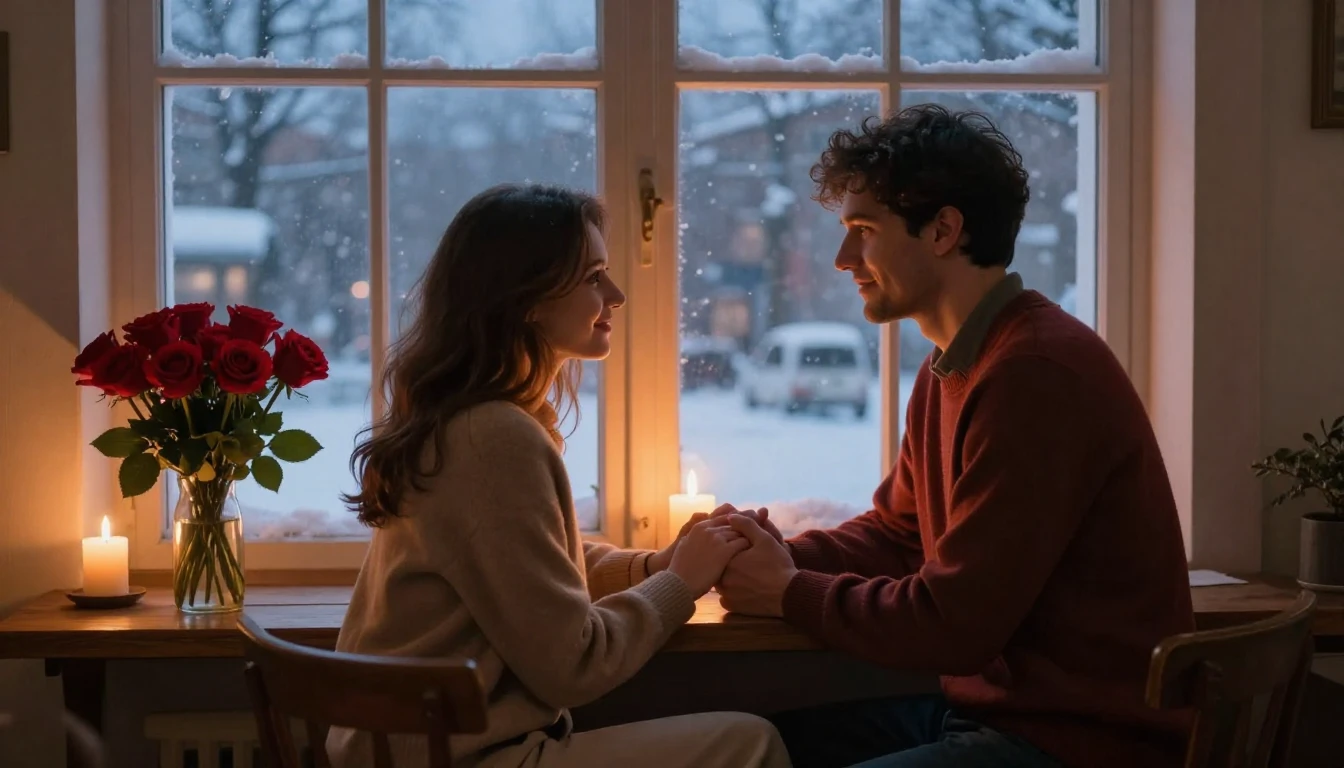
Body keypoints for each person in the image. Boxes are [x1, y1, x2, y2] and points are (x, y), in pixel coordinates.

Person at [709, 105, 1195, 768]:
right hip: (1001, 720)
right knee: (751, 745)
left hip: (1078, 745)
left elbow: (954, 624)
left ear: (943, 230)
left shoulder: (1034, 373)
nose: (842, 258)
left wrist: (788, 591)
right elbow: (898, 535)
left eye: (863, 231)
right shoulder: (956, 362)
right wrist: (776, 555)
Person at [330, 184, 790, 768]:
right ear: (528, 298)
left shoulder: (471, 419)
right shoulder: (492, 437)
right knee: (750, 742)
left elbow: (529, 566)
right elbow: (575, 664)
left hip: (416, 752)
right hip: (461, 759)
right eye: (594, 275)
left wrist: (656, 564)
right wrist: (682, 584)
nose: (616, 295)